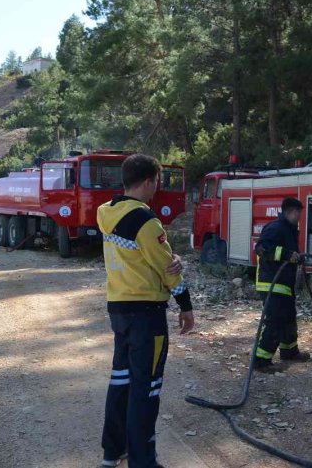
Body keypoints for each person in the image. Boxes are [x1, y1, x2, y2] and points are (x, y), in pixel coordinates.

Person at [97, 153, 194, 468]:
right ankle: (143, 461)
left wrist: (167, 255)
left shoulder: (105, 212)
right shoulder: (146, 221)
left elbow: (141, 255)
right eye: (158, 181)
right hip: (146, 315)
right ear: (151, 181)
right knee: (146, 389)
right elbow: (167, 268)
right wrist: (185, 305)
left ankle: (113, 453)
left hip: (119, 310)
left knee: (121, 380)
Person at [252, 197, 311, 373]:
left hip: (284, 284)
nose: (300, 216)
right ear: (292, 211)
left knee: (289, 318)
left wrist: (296, 257)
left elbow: (289, 252)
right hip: (271, 283)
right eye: (299, 212)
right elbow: (262, 248)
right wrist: (286, 254)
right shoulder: (276, 227)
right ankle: (261, 360)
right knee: (275, 321)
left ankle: (289, 351)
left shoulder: (290, 229)